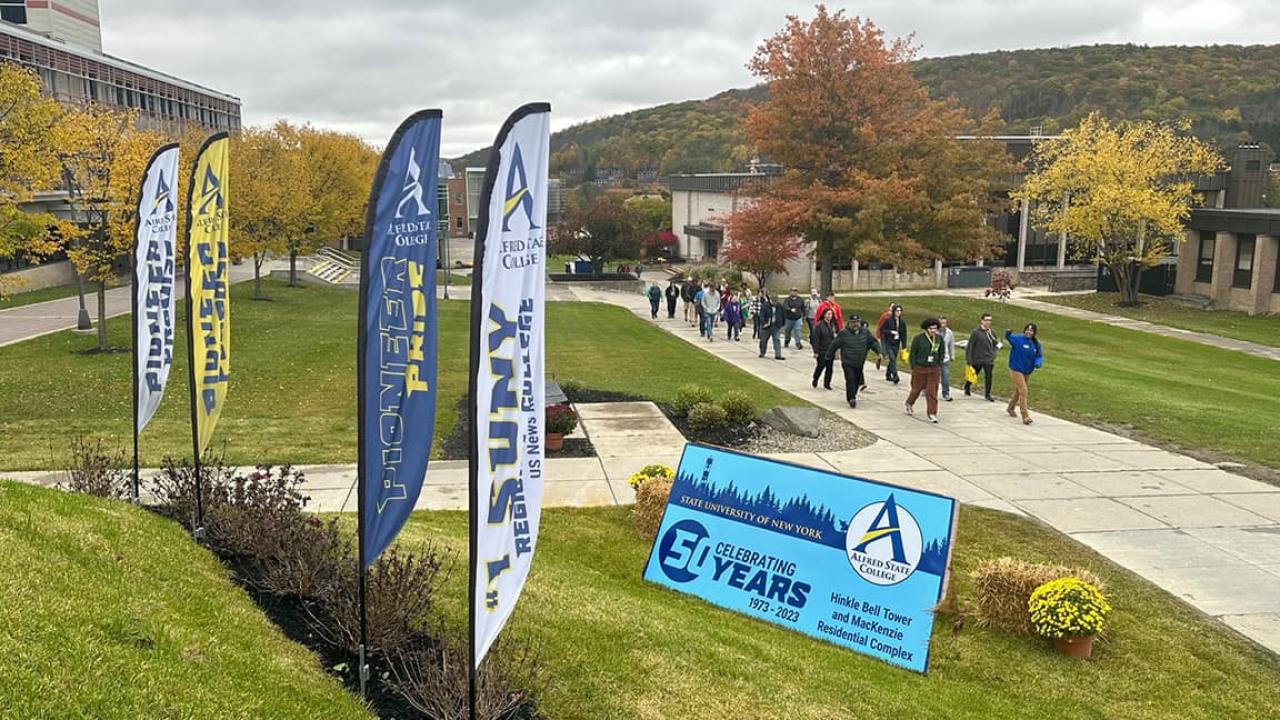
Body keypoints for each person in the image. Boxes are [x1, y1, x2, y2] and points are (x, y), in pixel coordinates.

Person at [826, 314, 881, 408]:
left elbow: (873, 342)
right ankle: (851, 398)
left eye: (857, 322)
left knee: (856, 381)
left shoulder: (865, 332)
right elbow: (834, 345)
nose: (855, 324)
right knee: (850, 379)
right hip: (848, 362)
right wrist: (828, 356)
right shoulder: (844, 333)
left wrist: (879, 352)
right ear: (849, 323)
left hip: (859, 362)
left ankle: (853, 395)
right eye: (853, 322)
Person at [905, 317, 944, 423]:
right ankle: (909, 402)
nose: (933, 331)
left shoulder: (939, 339)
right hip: (920, 368)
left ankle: (932, 413)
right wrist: (914, 366)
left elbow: (941, 352)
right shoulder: (918, 338)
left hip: (934, 369)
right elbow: (913, 353)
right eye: (931, 328)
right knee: (916, 390)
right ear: (926, 329)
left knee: (932, 392)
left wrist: (939, 364)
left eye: (935, 328)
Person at [1005, 323, 1043, 425]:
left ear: (1034, 333)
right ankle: (1025, 415)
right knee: (1023, 390)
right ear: (1024, 330)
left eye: (1031, 330)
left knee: (1019, 391)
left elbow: (1039, 356)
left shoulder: (1036, 344)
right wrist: (1008, 333)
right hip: (1016, 369)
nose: (1028, 332)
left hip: (1027, 370)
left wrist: (1038, 363)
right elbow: (1009, 338)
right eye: (1027, 330)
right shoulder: (1018, 340)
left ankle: (1010, 407)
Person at [964, 313, 1001, 402]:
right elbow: (970, 346)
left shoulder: (992, 332)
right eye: (986, 320)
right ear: (982, 321)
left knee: (989, 376)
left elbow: (995, 343)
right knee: (974, 374)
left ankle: (987, 394)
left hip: (988, 359)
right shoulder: (976, 332)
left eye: (990, 320)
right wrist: (969, 359)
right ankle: (967, 386)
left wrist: (994, 353)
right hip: (977, 359)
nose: (988, 322)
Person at [810, 307, 839, 389]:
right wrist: (816, 351)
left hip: (830, 350)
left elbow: (837, 333)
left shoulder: (833, 324)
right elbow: (815, 339)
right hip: (822, 350)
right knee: (821, 366)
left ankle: (827, 384)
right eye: (828, 314)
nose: (830, 316)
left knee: (830, 368)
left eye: (831, 314)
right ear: (824, 315)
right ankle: (815, 379)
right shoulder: (819, 325)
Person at [878, 304, 907, 384]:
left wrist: (904, 346)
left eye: (900, 311)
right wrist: (891, 332)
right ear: (894, 311)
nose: (898, 313)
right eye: (897, 311)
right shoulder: (888, 320)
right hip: (888, 342)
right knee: (892, 358)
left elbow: (904, 334)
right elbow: (882, 330)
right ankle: (895, 375)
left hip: (896, 343)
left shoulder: (902, 322)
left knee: (892, 360)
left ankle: (888, 374)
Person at [758, 292, 786, 360]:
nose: (775, 303)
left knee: (777, 340)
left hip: (775, 325)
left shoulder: (779, 306)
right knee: (763, 340)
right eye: (773, 301)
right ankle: (762, 352)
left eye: (776, 301)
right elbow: (761, 315)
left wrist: (782, 323)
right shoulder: (765, 305)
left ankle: (778, 355)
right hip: (766, 326)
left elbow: (783, 315)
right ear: (770, 300)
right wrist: (764, 323)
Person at [939, 316, 956, 402]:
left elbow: (951, 345)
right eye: (941, 323)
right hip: (935, 358)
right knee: (931, 375)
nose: (943, 325)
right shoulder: (934, 332)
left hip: (945, 358)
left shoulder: (949, 333)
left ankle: (946, 393)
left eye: (944, 323)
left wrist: (952, 355)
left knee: (945, 375)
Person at [874, 302, 894, 371]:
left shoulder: (896, 316)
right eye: (892, 307)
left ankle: (891, 367)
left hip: (891, 337)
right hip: (884, 336)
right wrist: (878, 335)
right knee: (884, 351)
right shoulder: (885, 316)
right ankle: (880, 358)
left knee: (891, 352)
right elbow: (880, 325)